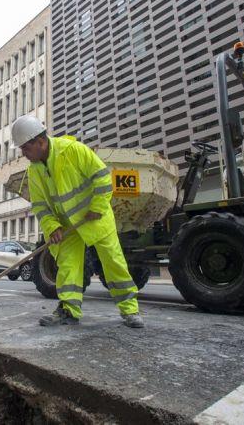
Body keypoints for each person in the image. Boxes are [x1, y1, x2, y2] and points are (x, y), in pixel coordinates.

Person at [11, 114, 144, 328]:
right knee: (68, 266)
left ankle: (130, 310)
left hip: (96, 218)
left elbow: (102, 177)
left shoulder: (73, 151)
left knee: (113, 262)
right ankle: (69, 310)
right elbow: (40, 205)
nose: (23, 153)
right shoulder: (34, 170)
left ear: (41, 142)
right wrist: (52, 226)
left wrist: (97, 207)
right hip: (66, 226)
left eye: (25, 148)